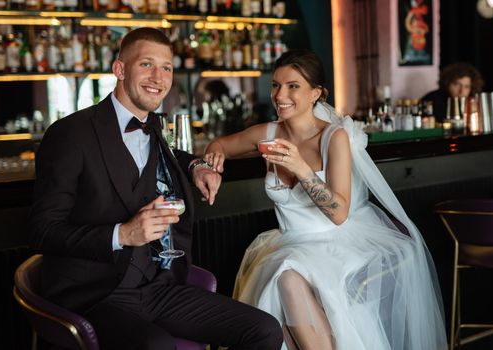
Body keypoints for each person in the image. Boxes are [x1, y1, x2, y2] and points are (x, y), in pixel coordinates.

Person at [30, 27, 283, 350]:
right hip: (96, 293)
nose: (158, 77)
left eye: (166, 68)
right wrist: (122, 234)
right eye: (146, 64)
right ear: (120, 69)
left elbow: (166, 154)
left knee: (264, 329)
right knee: (157, 346)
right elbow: (42, 230)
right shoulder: (70, 134)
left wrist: (196, 166)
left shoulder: (153, 127)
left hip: (157, 286)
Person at [204, 49, 447, 349]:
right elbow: (219, 144)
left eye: (293, 86)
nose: (281, 94)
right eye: (276, 85)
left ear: (316, 93)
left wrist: (301, 169)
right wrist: (210, 160)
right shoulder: (266, 133)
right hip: (291, 241)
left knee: (286, 278)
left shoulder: (334, 138)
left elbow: (339, 213)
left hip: (335, 242)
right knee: (283, 278)